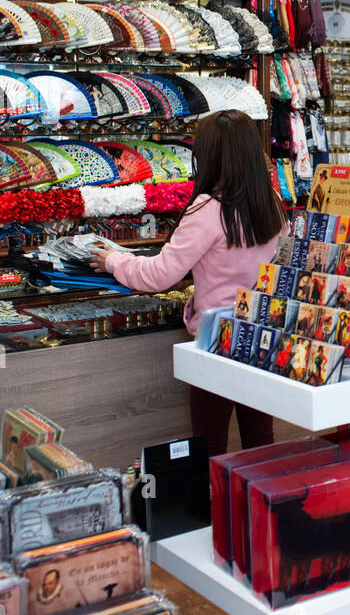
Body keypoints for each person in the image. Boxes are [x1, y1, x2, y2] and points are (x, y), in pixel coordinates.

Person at [91, 111, 287, 456]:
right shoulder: (270, 203)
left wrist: (113, 261)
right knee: (260, 440)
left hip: (216, 341)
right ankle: (258, 507)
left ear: (209, 155)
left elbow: (158, 276)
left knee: (209, 444)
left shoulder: (208, 208)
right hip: (261, 333)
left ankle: (213, 508)